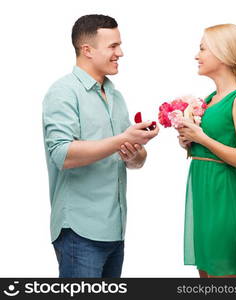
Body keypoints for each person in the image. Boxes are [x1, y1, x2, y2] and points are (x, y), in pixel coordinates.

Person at [42, 14, 159, 278]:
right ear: (87, 50)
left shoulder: (115, 96)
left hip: (115, 231)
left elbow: (134, 161)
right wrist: (122, 139)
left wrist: (136, 151)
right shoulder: (63, 92)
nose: (121, 53)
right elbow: (62, 154)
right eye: (113, 46)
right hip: (79, 233)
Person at [178, 24, 236, 278]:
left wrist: (201, 136)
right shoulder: (210, 99)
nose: (196, 55)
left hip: (225, 200)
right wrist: (189, 142)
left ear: (224, 54)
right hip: (204, 199)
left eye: (203, 49)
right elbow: (211, 148)